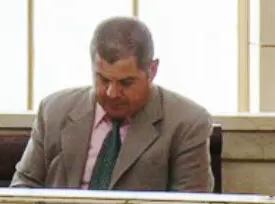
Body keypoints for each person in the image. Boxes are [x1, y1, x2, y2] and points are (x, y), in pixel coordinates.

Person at [11, 17, 213, 192]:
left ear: (152, 70)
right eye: (103, 79)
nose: (112, 93)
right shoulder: (54, 111)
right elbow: (24, 187)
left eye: (126, 83)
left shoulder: (186, 123)